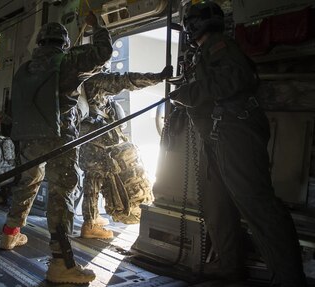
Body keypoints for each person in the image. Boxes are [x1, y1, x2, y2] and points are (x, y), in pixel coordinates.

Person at [169, 1, 307, 286]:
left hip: (235, 133)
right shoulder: (203, 53)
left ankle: (289, 279)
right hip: (217, 137)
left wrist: (189, 92)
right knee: (217, 204)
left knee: (258, 206)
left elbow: (237, 79)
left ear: (196, 24)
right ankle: (230, 265)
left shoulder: (221, 46)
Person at [0, 12, 112, 284]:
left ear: (39, 42)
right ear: (63, 43)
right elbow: (103, 53)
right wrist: (98, 25)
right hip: (59, 138)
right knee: (61, 195)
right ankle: (61, 263)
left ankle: (10, 233)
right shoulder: (68, 60)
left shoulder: (25, 68)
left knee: (26, 184)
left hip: (29, 138)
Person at [79, 65, 173, 239]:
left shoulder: (80, 80)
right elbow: (126, 80)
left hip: (89, 142)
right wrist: (158, 77)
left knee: (94, 181)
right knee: (93, 182)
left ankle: (93, 218)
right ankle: (90, 225)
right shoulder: (95, 80)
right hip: (97, 144)